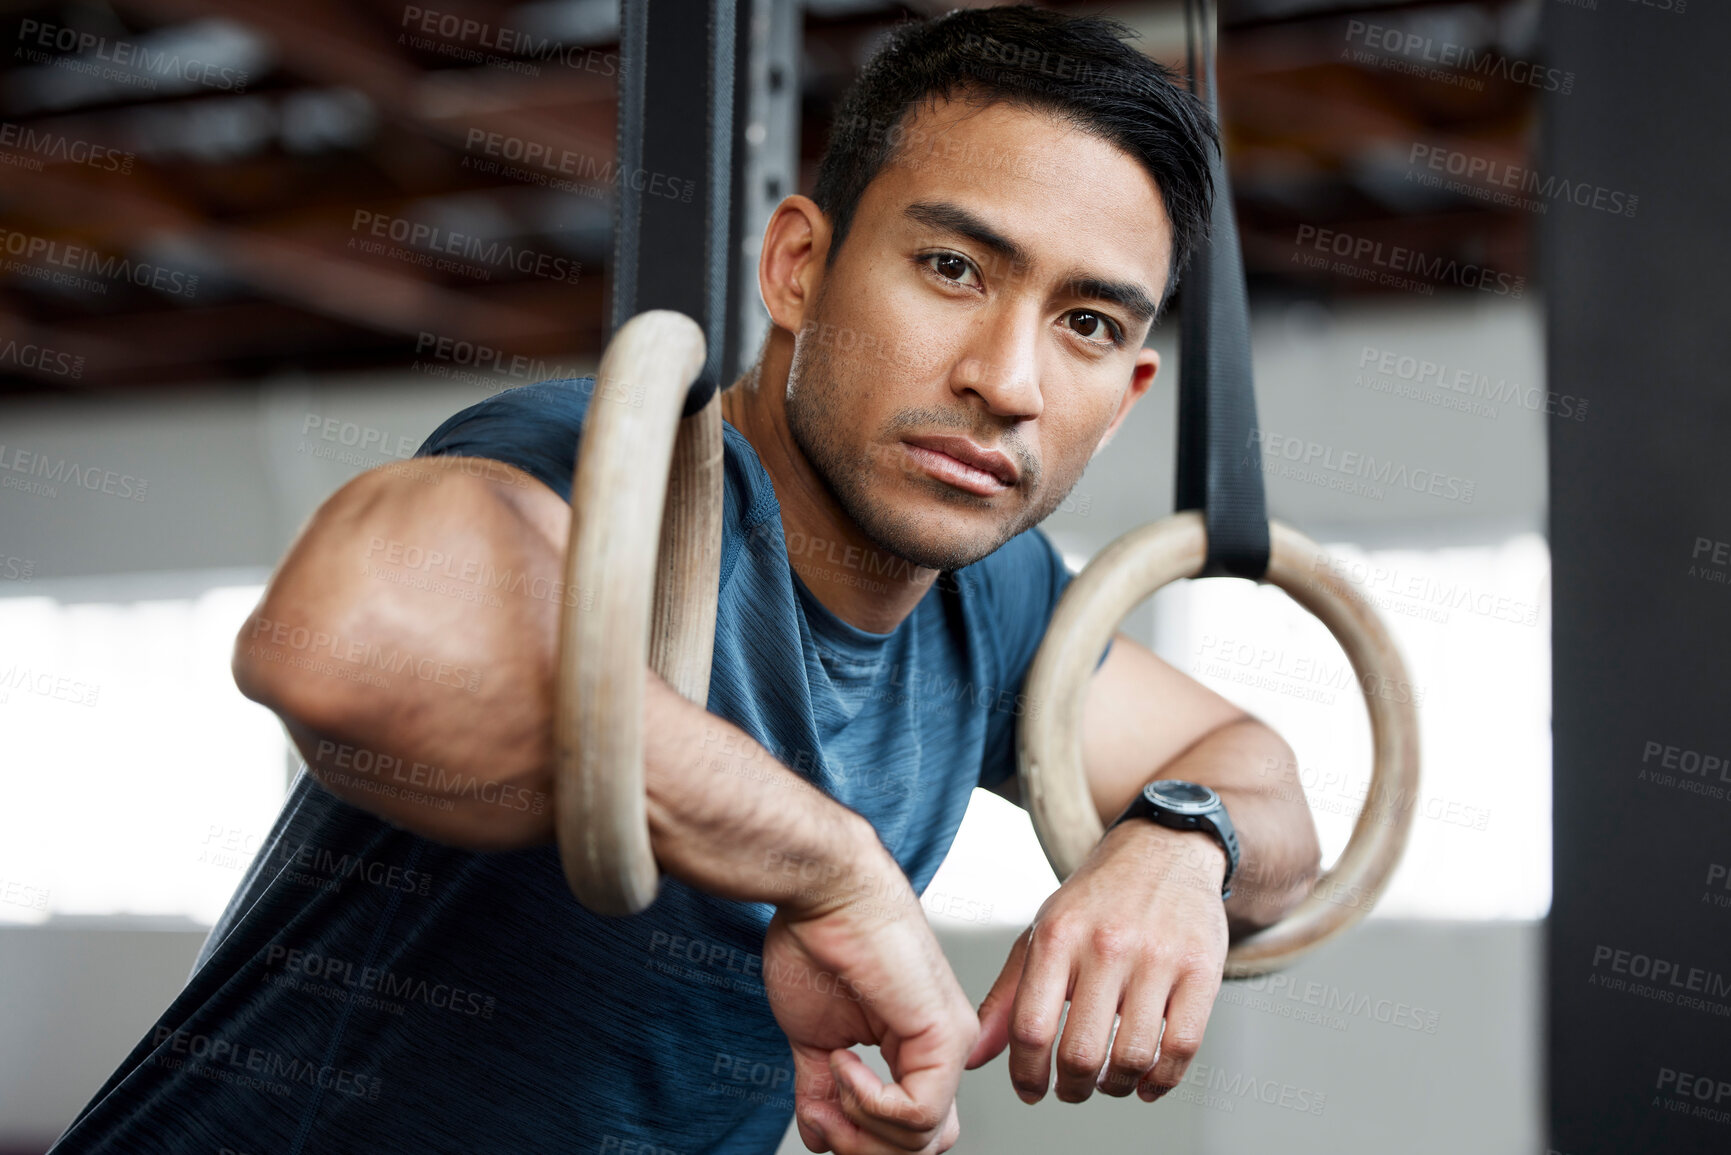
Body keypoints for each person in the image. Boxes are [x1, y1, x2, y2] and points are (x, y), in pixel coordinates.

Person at [51, 6, 1320, 1154]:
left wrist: (1177, 842)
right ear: (797, 269)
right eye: (953, 268)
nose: (1010, 379)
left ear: (1128, 397)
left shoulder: (995, 606)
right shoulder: (614, 476)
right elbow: (338, 639)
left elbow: (1254, 773)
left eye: (1087, 324)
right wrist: (834, 869)